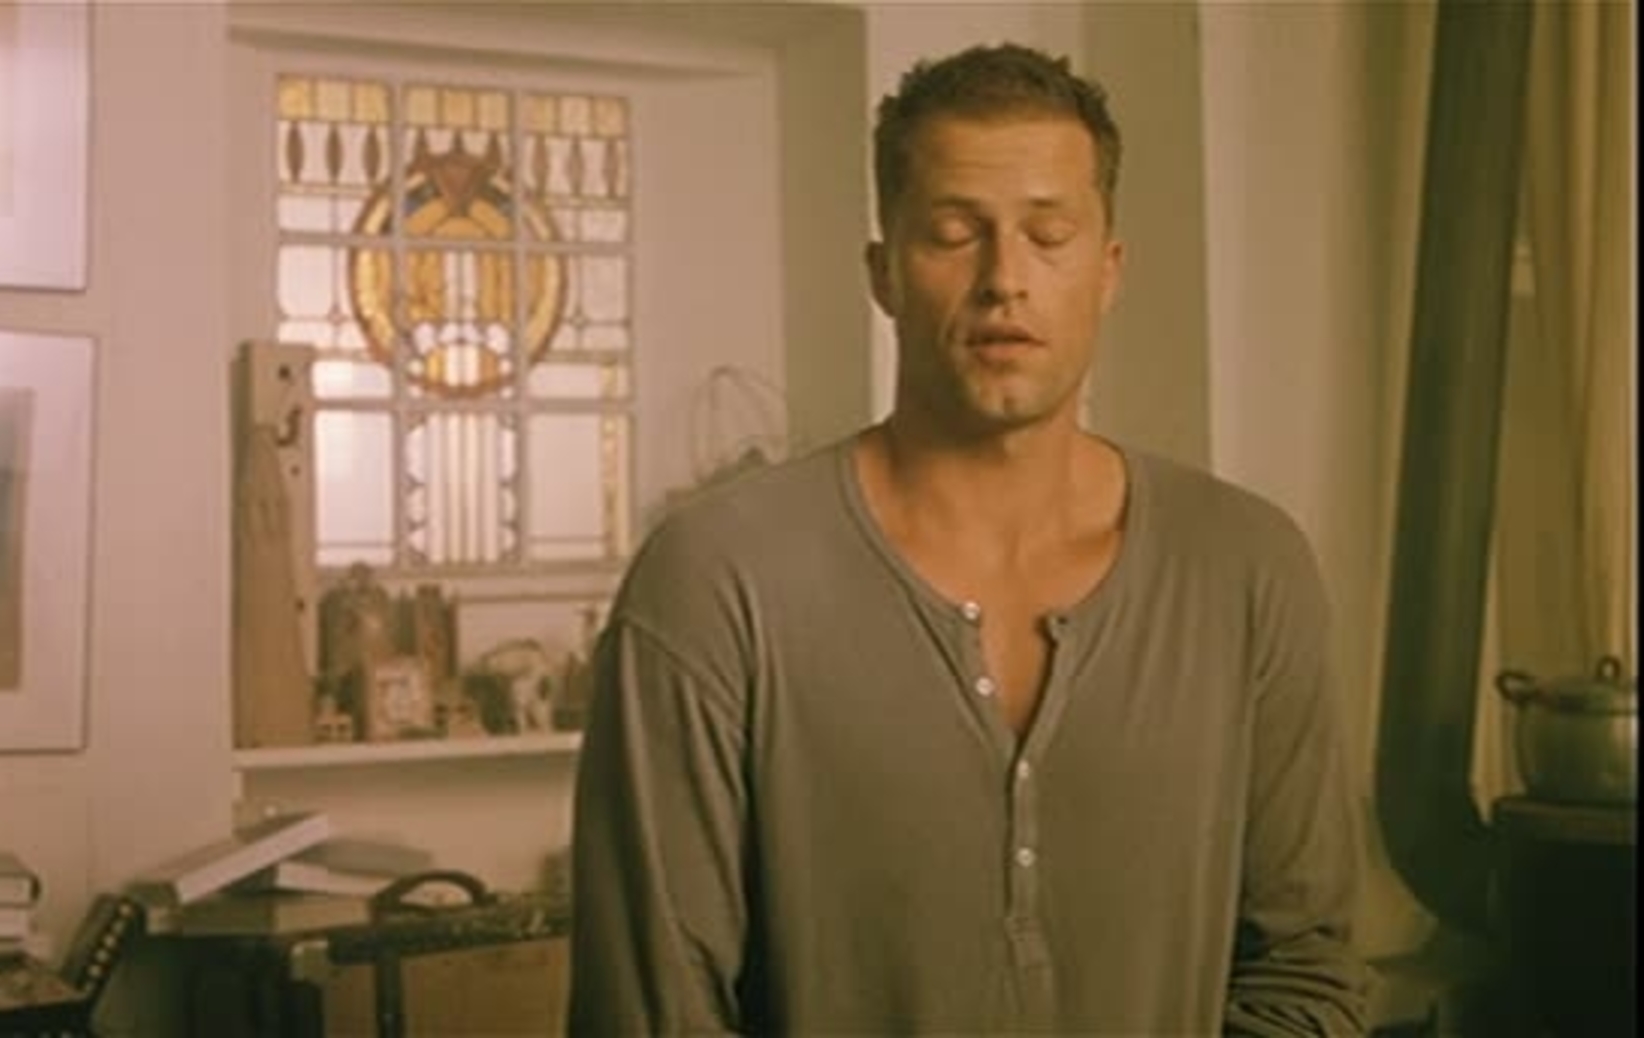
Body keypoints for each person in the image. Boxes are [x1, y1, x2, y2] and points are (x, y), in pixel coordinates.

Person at [566, 40, 1367, 1036]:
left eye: (1049, 234)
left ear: (1108, 270)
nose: (1004, 279)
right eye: (953, 234)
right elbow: (649, 1012)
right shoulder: (719, 580)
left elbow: (1307, 972)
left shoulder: (1245, 567)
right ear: (885, 273)